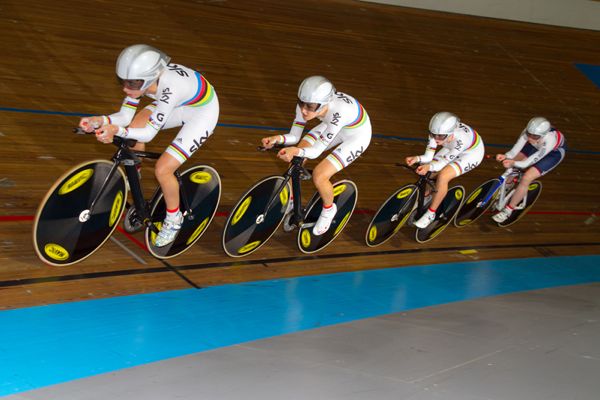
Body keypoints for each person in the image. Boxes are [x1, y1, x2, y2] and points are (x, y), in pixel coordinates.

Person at [78, 44, 219, 247]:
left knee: (163, 169)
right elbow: (125, 116)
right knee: (135, 125)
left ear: (150, 78)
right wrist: (99, 120)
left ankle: (174, 219)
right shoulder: (143, 80)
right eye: (123, 81)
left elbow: (148, 134)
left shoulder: (170, 88)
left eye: (132, 84)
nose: (126, 89)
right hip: (180, 102)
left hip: (202, 113)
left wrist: (116, 130)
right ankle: (135, 174)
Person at [261, 76, 371, 235]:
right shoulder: (306, 104)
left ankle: (329, 210)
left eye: (310, 107)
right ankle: (291, 201)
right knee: (296, 160)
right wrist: (276, 139)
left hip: (356, 136)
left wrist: (295, 151)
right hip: (330, 125)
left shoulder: (339, 112)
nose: (304, 111)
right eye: (301, 104)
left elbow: (316, 151)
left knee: (320, 175)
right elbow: (294, 136)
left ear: (324, 104)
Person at [406, 112, 485, 229]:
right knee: (429, 172)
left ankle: (431, 214)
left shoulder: (460, 141)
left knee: (443, 176)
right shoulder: (437, 133)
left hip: (471, 154)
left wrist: (429, 166)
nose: (435, 139)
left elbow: (442, 163)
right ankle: (429, 194)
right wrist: (417, 158)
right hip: (450, 146)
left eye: (440, 136)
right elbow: (428, 157)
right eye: (433, 135)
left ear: (451, 134)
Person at [492, 117, 566, 223]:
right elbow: (514, 151)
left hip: (553, 154)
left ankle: (508, 210)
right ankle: (506, 187)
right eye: (529, 134)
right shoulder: (529, 132)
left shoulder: (550, 140)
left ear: (542, 135)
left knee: (527, 177)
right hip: (536, 146)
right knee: (514, 162)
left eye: (534, 136)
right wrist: (506, 156)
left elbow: (527, 163)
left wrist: (513, 162)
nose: (530, 137)